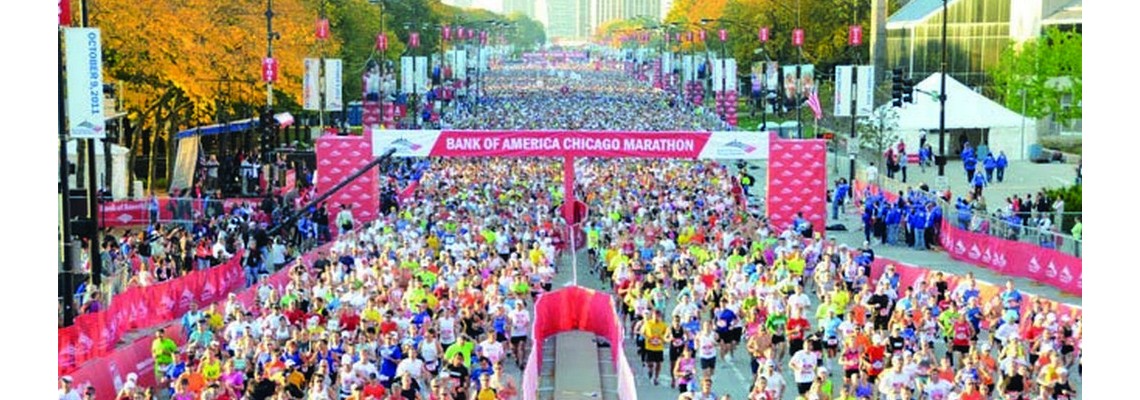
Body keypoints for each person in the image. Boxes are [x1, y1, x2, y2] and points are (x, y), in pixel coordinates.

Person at [641, 309, 668, 385]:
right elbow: (642, 332)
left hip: (659, 347)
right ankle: (650, 370)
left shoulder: (663, 325)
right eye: (655, 315)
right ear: (652, 315)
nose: (656, 317)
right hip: (649, 346)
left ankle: (656, 377)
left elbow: (667, 334)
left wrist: (663, 339)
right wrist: (648, 339)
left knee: (659, 363)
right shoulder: (647, 324)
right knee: (650, 363)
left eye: (658, 316)